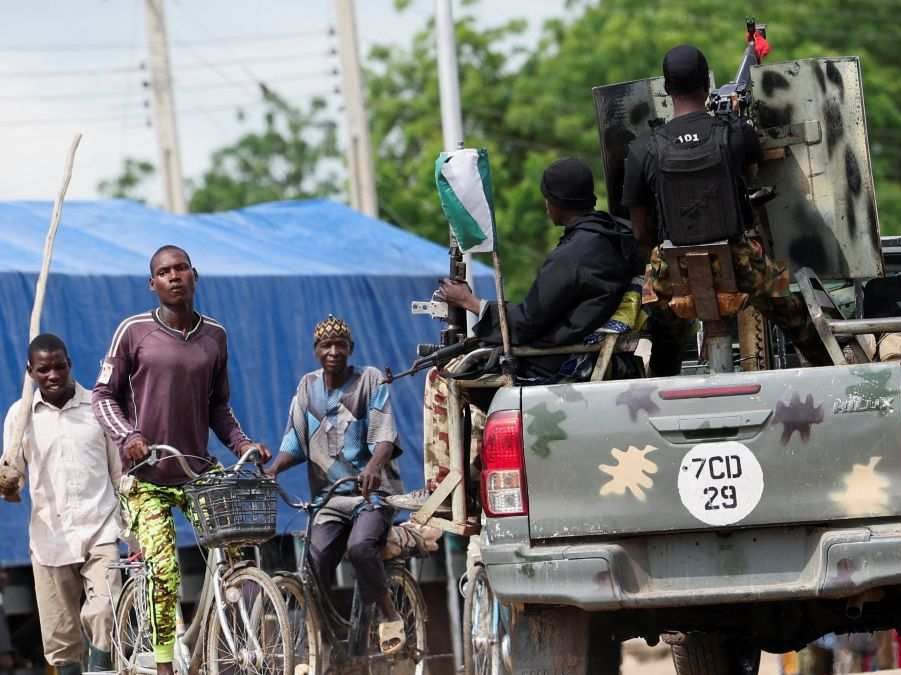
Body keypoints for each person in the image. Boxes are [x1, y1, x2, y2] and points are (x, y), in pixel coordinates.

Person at [400, 158, 641, 505]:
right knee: (476, 366)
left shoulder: (574, 253)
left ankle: (443, 492)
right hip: (581, 351)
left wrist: (471, 303)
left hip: (556, 365)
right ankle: (472, 480)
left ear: (554, 203)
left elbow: (527, 323)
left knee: (443, 378)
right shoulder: (614, 236)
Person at [92, 245, 269, 675]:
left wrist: (243, 445)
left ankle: (237, 630)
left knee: (239, 543)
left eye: (180, 269)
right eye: (164, 272)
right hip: (146, 476)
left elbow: (219, 408)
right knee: (165, 570)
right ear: (152, 284)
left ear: (195, 275)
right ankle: (167, 663)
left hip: (196, 471)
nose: (174, 277)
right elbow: (101, 396)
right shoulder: (133, 332)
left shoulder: (215, 336)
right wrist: (128, 435)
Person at [622, 44, 830, 374]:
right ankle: (831, 369)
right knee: (795, 313)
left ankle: (662, 383)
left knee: (663, 334)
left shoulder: (642, 150)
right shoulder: (736, 134)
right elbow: (750, 174)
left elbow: (639, 231)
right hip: (740, 261)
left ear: (666, 88)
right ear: (706, 82)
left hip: (672, 272)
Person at [264, 315, 437, 654]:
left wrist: (374, 467)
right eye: (326, 346)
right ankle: (322, 643)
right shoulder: (306, 388)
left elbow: (384, 437)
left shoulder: (369, 380)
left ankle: (390, 616)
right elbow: (294, 443)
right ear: (316, 351)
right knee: (312, 566)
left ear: (350, 349)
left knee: (360, 548)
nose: (333, 352)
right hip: (327, 500)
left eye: (340, 345)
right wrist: (273, 469)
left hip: (369, 496)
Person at [0, 334, 122, 675]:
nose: (53, 375)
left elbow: (118, 472)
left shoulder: (99, 407)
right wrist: (8, 485)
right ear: (31, 372)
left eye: (59, 367)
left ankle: (100, 668)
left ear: (70, 364)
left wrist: (134, 522)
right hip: (49, 538)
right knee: (60, 638)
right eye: (43, 369)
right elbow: (13, 476)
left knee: (104, 612)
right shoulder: (19, 416)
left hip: (101, 528)